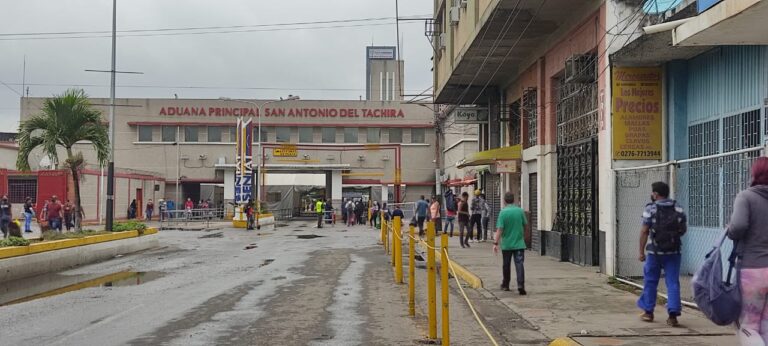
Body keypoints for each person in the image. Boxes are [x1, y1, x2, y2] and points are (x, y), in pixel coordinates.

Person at [727, 157, 768, 345]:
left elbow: (738, 227)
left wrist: (730, 228)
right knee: (766, 324)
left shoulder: (746, 196)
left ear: (755, 173)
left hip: (753, 270)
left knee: (749, 326)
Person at [638, 181, 686, 327]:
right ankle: (673, 315)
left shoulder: (650, 209)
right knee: (672, 282)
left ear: (656, 194)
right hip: (673, 252)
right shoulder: (678, 208)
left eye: (653, 192)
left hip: (654, 252)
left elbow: (644, 231)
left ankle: (648, 312)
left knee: (650, 281)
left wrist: (641, 251)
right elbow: (683, 230)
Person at [493, 192, 528, 295]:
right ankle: (520, 285)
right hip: (519, 243)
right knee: (519, 264)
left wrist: (495, 243)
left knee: (506, 265)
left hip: (507, 244)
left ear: (504, 200)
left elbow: (500, 229)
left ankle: (505, 285)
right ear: (514, 199)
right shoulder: (520, 211)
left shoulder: (503, 212)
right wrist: (524, 237)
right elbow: (526, 226)